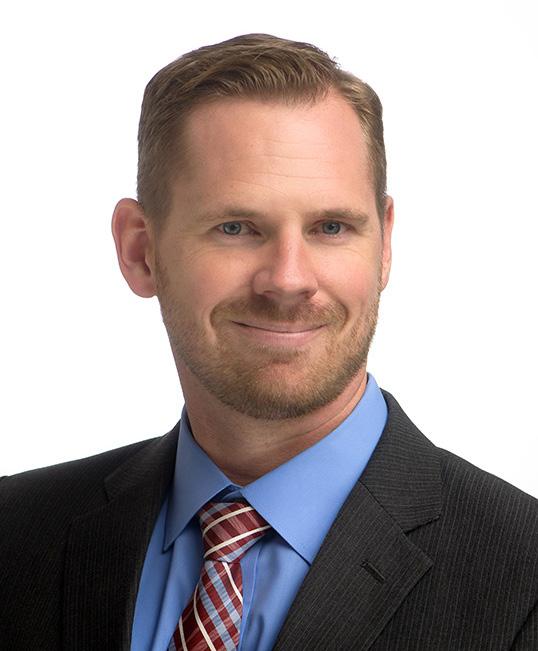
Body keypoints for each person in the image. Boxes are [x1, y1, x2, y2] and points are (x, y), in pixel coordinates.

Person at [0, 33, 537, 651]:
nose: (288, 279)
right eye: (236, 228)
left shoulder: (523, 581)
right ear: (140, 250)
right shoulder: (16, 535)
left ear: (384, 245)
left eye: (331, 227)